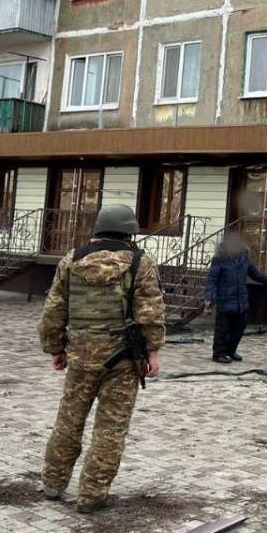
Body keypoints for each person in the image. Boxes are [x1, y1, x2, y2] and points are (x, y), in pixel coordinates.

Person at [38, 204, 164, 514]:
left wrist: (56, 348)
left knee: (67, 423)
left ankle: (53, 484)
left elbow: (54, 310)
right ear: (130, 230)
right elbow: (150, 312)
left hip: (80, 356)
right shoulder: (140, 263)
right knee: (110, 429)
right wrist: (153, 351)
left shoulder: (72, 259)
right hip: (122, 360)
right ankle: (91, 495)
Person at [203, 231, 267, 364]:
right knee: (223, 329)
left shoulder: (244, 258)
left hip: (241, 301)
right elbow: (212, 280)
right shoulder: (219, 259)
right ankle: (219, 353)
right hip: (225, 300)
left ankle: (230, 351)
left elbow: (256, 275)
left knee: (239, 329)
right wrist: (209, 299)